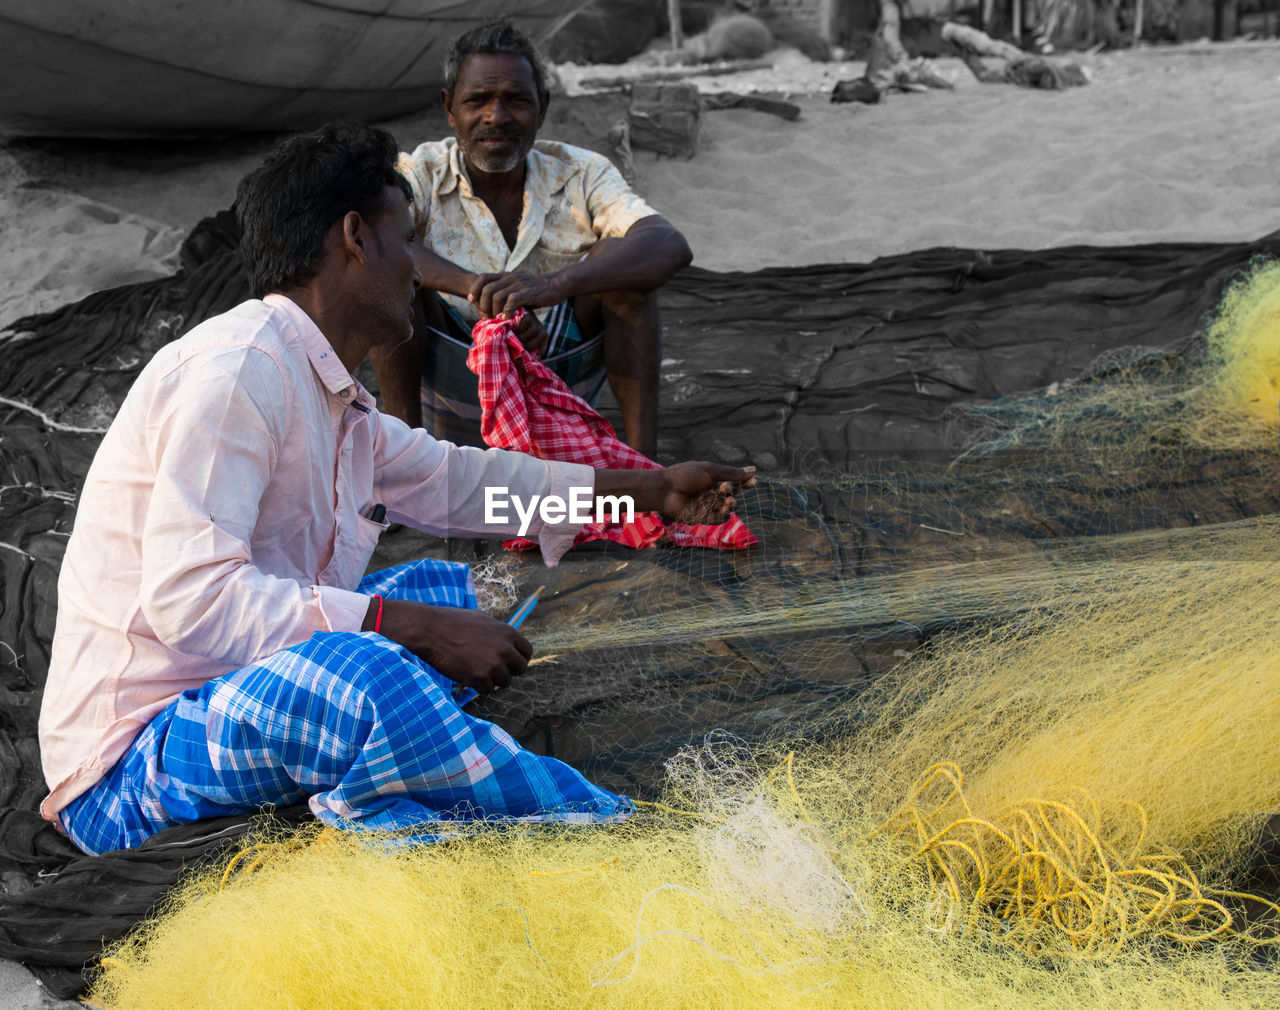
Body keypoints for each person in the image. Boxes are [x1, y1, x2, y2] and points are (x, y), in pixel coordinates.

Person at [36, 122, 755, 855]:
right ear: (355, 236)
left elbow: (463, 482)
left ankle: (417, 754)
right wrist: (408, 628)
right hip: (130, 771)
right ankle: (614, 833)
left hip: (237, 690)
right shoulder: (237, 372)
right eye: (404, 240)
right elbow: (193, 600)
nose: (417, 272)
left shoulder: (328, 392)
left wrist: (650, 491)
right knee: (374, 666)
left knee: (449, 591)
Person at [371, 18, 691, 459]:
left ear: (542, 106)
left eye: (516, 100)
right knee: (392, 279)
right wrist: (483, 294)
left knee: (623, 262)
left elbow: (668, 244)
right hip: (456, 375)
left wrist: (552, 287)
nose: (496, 116)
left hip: (559, 368)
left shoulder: (583, 171)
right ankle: (401, 462)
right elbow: (379, 241)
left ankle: (648, 473)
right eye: (477, 100)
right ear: (449, 108)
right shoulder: (421, 171)